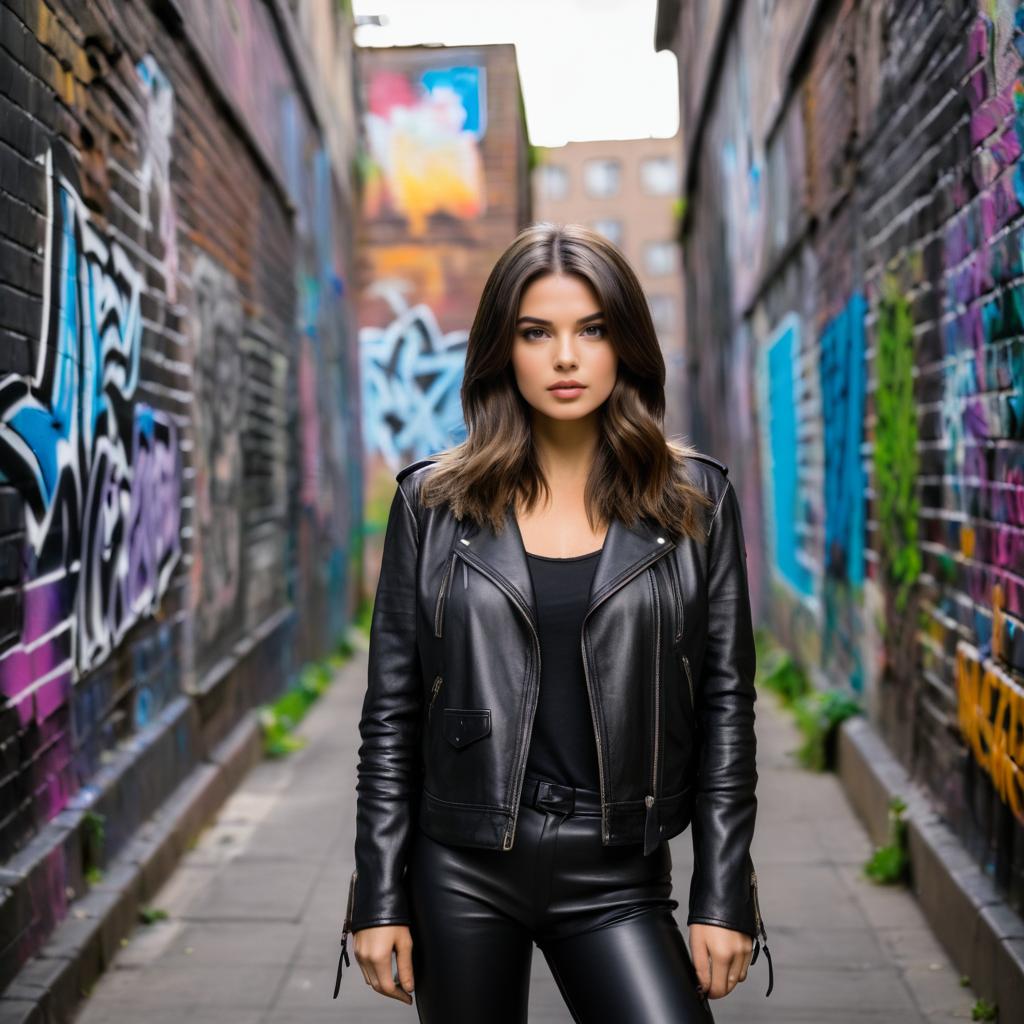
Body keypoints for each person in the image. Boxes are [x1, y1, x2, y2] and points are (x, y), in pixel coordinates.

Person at [334, 222, 773, 1022]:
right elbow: (391, 719)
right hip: (459, 867)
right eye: (537, 333)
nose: (565, 358)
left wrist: (724, 893)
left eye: (592, 330)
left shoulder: (693, 503)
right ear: (505, 347)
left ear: (625, 346)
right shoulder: (431, 506)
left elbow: (726, 710)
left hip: (615, 871)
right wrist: (377, 894)